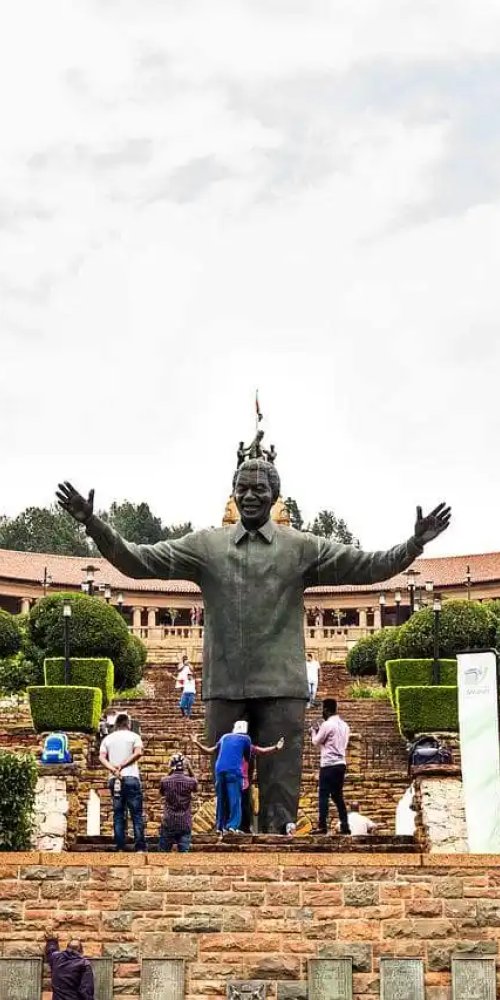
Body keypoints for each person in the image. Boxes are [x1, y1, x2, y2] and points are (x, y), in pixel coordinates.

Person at [56, 463, 451, 834]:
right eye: (242, 488)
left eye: (259, 489)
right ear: (232, 492)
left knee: (281, 804)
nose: (249, 495)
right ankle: (234, 868)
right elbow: (137, 561)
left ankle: (280, 882)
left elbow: (368, 566)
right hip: (225, 685)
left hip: (282, 688)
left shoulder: (301, 548)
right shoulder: (205, 546)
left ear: (275, 496)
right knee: (229, 795)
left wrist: (414, 544)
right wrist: (93, 524)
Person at [192, 721, 252, 833]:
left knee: (221, 799)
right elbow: (247, 756)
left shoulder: (224, 737)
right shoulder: (246, 739)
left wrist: (197, 743)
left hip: (219, 770)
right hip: (233, 771)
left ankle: (220, 826)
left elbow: (210, 751)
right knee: (235, 800)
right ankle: (232, 826)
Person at [99, 712, 146, 852]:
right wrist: (123, 765)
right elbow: (138, 753)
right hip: (131, 777)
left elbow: (102, 757)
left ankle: (120, 846)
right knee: (136, 814)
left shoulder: (108, 739)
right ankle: (140, 847)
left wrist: (113, 769)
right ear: (128, 724)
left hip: (115, 778)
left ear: (116, 725)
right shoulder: (134, 737)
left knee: (118, 813)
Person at [310, 698, 351, 835]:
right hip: (341, 764)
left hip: (328, 764)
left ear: (326, 710)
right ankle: (345, 825)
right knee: (337, 795)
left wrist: (313, 732)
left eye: (323, 709)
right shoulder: (345, 726)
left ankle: (322, 825)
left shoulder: (327, 725)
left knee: (323, 794)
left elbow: (316, 741)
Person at [241, 735, 285, 832]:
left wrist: (276, 747)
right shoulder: (231, 747)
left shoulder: (249, 748)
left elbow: (262, 751)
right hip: (235, 780)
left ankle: (244, 827)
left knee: (245, 803)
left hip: (243, 781)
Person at [159, 753, 197, 853]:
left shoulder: (165, 781)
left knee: (162, 855)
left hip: (169, 821)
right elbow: (196, 784)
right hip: (185, 822)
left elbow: (162, 792)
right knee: (184, 855)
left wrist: (169, 771)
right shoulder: (190, 782)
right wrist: (190, 768)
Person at [45, 935, 94, 1000]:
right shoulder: (84, 964)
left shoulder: (56, 958)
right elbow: (86, 991)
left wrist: (51, 941)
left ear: (67, 948)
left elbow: (50, 952)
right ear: (81, 951)